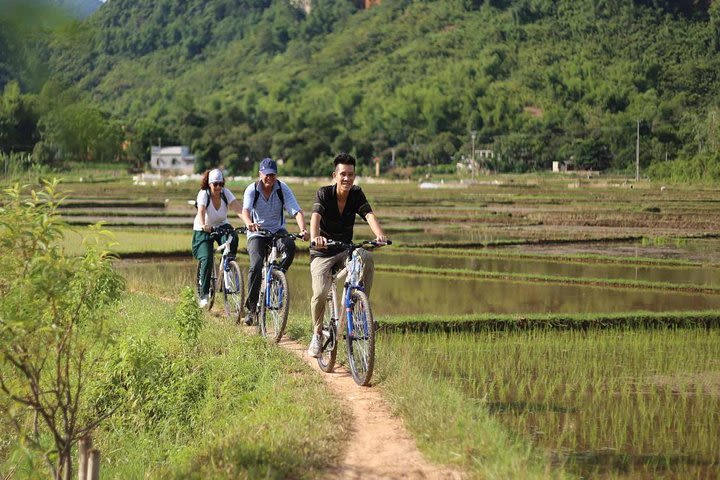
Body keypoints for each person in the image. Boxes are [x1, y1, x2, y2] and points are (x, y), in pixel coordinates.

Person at [307, 153, 388, 358]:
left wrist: (379, 234)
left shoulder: (356, 194)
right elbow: (315, 218)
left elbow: (368, 214)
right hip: (322, 252)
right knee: (319, 292)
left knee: (366, 257)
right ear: (335, 175)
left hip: (344, 249)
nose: (347, 178)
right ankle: (317, 334)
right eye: (343, 174)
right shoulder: (324, 193)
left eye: (350, 174)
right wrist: (316, 238)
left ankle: (361, 308)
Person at [241, 157, 308, 326]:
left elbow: (296, 211)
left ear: (276, 175)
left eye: (273, 175)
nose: (269, 178)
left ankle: (278, 275)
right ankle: (251, 310)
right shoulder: (252, 189)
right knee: (256, 265)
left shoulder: (282, 188)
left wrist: (303, 230)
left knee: (290, 247)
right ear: (260, 174)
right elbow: (246, 210)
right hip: (257, 233)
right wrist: (249, 223)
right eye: (266, 175)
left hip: (277, 231)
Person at [192, 168, 244, 308]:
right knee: (207, 258)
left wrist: (249, 223)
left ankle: (228, 265)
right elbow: (201, 210)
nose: (218, 187)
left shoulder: (225, 194)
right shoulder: (204, 194)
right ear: (209, 184)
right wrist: (203, 224)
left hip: (221, 225)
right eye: (215, 184)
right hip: (204, 229)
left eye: (221, 184)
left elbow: (238, 208)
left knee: (233, 236)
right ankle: (203, 295)